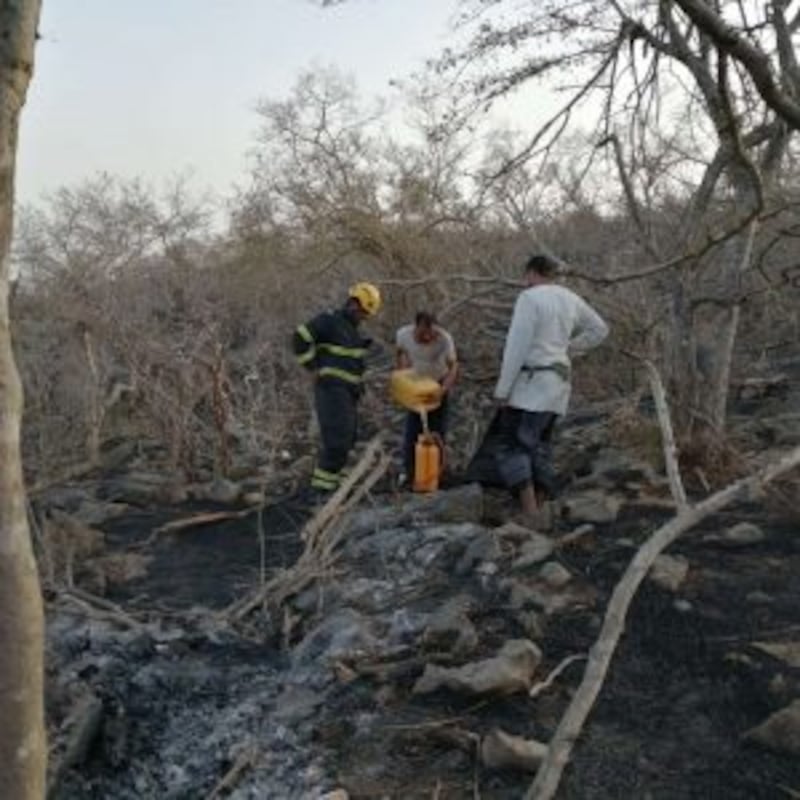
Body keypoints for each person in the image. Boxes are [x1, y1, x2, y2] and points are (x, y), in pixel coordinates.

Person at [494, 253, 608, 521]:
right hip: (558, 382)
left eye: (527, 277)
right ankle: (542, 504)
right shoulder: (569, 297)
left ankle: (530, 512)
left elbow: (516, 347)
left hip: (530, 384)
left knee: (514, 445)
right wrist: (568, 349)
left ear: (532, 272)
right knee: (540, 444)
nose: (525, 282)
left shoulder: (530, 298)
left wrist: (503, 389)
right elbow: (600, 330)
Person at [292, 282, 382, 495]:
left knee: (347, 439)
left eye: (366, 314)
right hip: (331, 391)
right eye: (362, 312)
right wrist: (312, 367)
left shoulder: (352, 331)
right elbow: (300, 338)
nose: (363, 317)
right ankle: (320, 492)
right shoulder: (330, 321)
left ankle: (331, 487)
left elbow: (352, 364)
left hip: (347, 394)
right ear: (353, 304)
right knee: (337, 442)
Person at [395, 311, 458, 483]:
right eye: (424, 333)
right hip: (417, 386)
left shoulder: (445, 339)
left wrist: (443, 389)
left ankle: (436, 473)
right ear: (416, 327)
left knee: (437, 430)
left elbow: (453, 367)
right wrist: (404, 378)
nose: (428, 337)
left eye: (432, 333)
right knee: (413, 430)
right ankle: (409, 472)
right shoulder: (403, 335)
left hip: (437, 384)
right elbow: (400, 355)